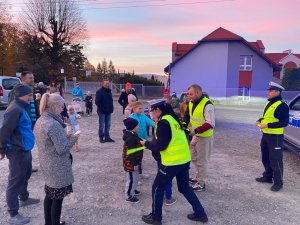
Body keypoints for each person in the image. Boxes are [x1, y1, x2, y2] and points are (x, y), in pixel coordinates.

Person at [140, 99, 208, 224]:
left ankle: (156, 217)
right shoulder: (174, 120)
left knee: (157, 188)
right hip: (183, 160)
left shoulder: (164, 122)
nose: (152, 113)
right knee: (184, 188)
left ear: (158, 110)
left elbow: (161, 145)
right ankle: (200, 213)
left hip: (171, 162)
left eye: (152, 111)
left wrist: (147, 144)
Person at [34, 93, 80, 225]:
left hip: (47, 163)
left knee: (50, 195)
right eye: (61, 106)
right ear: (54, 106)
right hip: (56, 166)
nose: (63, 109)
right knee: (57, 199)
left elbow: (52, 143)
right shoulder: (52, 123)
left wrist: (65, 135)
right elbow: (62, 149)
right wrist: (74, 137)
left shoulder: (41, 120)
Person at [0, 84, 40, 225]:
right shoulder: (14, 109)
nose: (31, 97)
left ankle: (24, 198)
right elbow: (4, 130)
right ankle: (13, 213)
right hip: (16, 150)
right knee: (15, 180)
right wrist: (2, 150)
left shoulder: (21, 107)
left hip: (24, 149)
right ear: (21, 95)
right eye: (29, 95)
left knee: (26, 173)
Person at [255, 82, 289, 192]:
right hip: (266, 135)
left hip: (276, 137)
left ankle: (278, 183)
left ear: (277, 92)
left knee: (276, 160)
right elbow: (268, 117)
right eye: (268, 90)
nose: (268, 92)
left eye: (271, 91)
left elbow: (284, 122)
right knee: (265, 157)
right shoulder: (269, 103)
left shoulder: (282, 105)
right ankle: (268, 176)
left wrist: (268, 125)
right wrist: (260, 120)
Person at [183, 84, 215, 192]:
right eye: (188, 94)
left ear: (197, 92)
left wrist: (195, 131)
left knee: (202, 160)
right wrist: (184, 126)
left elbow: (210, 123)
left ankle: (201, 183)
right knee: (193, 157)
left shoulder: (208, 105)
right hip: (196, 135)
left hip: (204, 137)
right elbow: (187, 116)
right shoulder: (191, 102)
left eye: (191, 94)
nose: (189, 96)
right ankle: (198, 177)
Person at [9, 72, 39, 172]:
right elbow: (13, 107)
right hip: (23, 122)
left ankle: (28, 166)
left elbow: (32, 105)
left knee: (27, 142)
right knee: (20, 143)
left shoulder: (30, 90)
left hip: (31, 121)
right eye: (30, 78)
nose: (32, 79)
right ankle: (21, 168)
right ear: (23, 79)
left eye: (33, 77)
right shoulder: (17, 91)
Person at [122, 118, 144, 203]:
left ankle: (133, 190)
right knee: (131, 178)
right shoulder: (130, 138)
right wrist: (134, 164)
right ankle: (128, 195)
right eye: (137, 125)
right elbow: (131, 153)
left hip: (136, 160)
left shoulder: (133, 134)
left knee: (136, 177)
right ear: (133, 127)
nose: (138, 127)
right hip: (131, 163)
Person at [95, 79, 114, 143]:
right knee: (102, 125)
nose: (107, 85)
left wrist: (111, 109)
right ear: (102, 84)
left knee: (108, 125)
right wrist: (103, 109)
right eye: (105, 83)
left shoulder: (109, 91)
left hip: (108, 111)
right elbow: (97, 102)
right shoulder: (99, 91)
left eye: (108, 83)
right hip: (102, 111)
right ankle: (101, 137)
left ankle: (107, 137)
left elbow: (111, 101)